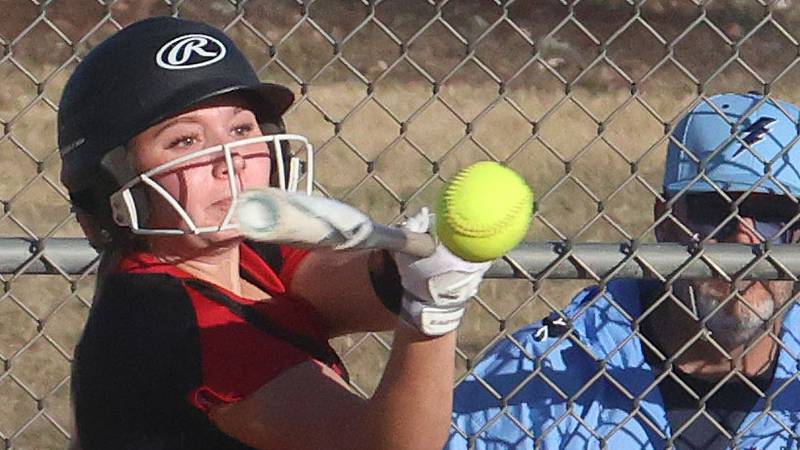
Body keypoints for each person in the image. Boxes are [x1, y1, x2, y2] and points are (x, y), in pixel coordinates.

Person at [59, 17, 491, 450]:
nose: (228, 159)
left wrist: (407, 264)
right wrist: (431, 317)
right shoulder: (166, 320)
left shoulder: (245, 256)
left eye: (242, 129)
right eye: (185, 141)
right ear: (113, 188)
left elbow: (356, 289)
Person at [446, 93, 800, 449]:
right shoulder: (539, 368)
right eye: (714, 209)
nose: (743, 237)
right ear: (665, 220)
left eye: (774, 213)